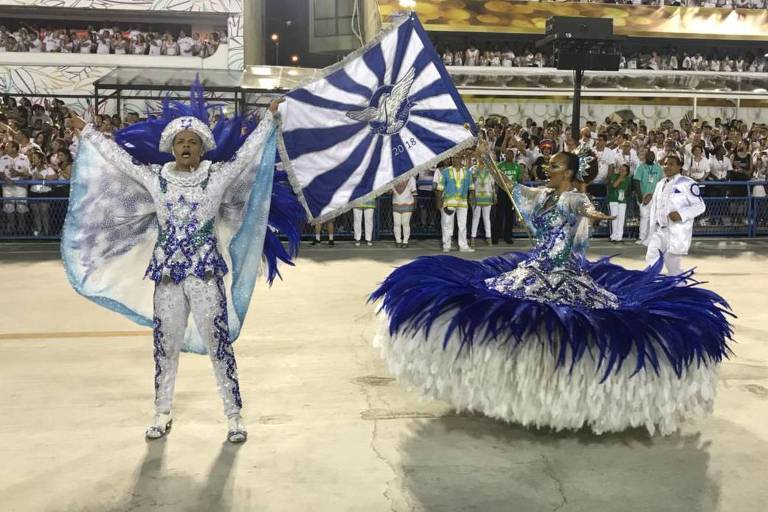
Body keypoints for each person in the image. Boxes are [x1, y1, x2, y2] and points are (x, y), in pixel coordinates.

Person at [371, 145, 733, 435]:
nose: (549, 168)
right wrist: (486, 155)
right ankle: (514, 387)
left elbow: (590, 211)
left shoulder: (573, 198)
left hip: (564, 270)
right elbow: (508, 185)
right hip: (534, 266)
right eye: (548, 163)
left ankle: (557, 393)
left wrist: (597, 215)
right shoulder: (538, 193)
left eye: (556, 165)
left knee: (567, 320)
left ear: (571, 172)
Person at [62, 87, 302, 443]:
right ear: (171, 148)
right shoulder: (156, 178)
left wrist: (268, 117)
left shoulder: (215, 176)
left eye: (192, 141)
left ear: (202, 147)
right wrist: (86, 132)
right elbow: (116, 159)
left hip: (206, 276)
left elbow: (248, 155)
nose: (186, 146)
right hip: (168, 278)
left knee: (219, 344)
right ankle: (162, 412)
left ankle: (234, 416)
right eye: (179, 141)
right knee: (165, 345)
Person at [645, 155, 706, 276]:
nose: (667, 166)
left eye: (671, 164)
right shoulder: (660, 183)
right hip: (659, 231)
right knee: (651, 262)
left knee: (673, 269)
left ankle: (681, 292)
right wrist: (651, 198)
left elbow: (700, 206)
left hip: (674, 232)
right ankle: (653, 290)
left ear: (679, 167)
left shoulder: (687, 183)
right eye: (665, 164)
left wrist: (681, 214)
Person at [436, 154, 474, 253]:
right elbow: (440, 188)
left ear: (462, 159)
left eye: (457, 157)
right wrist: (439, 201)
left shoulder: (467, 172)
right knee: (447, 224)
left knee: (462, 225)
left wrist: (472, 199)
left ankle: (463, 246)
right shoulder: (445, 172)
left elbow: (472, 187)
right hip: (449, 202)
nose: (454, 159)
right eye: (453, 158)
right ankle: (446, 245)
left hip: (463, 202)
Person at [492, 147, 523, 245]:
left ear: (513, 156)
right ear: (505, 155)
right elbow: (496, 179)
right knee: (499, 215)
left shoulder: (517, 167)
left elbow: (520, 180)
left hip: (512, 192)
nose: (509, 156)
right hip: (502, 192)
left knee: (510, 216)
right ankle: (495, 237)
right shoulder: (500, 166)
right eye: (507, 154)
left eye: (511, 154)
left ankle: (508, 237)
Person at [633, 150, 664, 245]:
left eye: (652, 156)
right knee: (644, 217)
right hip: (643, 196)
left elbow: (661, 182)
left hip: (654, 197)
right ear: (645, 157)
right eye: (648, 156)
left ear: (654, 157)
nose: (650, 157)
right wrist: (640, 196)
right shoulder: (641, 167)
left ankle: (650, 238)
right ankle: (642, 237)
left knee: (653, 218)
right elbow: (636, 182)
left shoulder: (658, 168)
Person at [0, 140, 31, 234]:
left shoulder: (24, 158)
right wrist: (6, 179)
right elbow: (0, 172)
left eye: (8, 146)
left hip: (21, 187)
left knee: (21, 208)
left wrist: (19, 173)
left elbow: (28, 174)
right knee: (9, 208)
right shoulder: (3, 158)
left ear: (14, 148)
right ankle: (11, 229)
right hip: (7, 187)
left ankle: (22, 229)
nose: (6, 148)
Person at [469, 151, 495, 247]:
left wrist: (494, 195)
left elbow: (492, 184)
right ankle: (472, 239)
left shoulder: (489, 170)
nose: (482, 159)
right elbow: (470, 182)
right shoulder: (472, 169)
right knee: (475, 218)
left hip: (487, 196)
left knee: (486, 218)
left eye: (484, 157)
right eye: (480, 157)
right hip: (476, 196)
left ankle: (489, 238)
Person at [607, 163, 631, 242]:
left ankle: (619, 237)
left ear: (627, 172)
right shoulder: (614, 176)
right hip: (613, 199)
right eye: (620, 169)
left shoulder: (628, 179)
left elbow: (628, 190)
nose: (621, 171)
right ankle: (613, 236)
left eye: (624, 170)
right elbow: (614, 185)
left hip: (622, 200)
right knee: (614, 218)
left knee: (621, 218)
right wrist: (620, 177)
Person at [391, 175, 417, 248]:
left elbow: (414, 191)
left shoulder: (411, 178)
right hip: (396, 203)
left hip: (408, 203)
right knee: (396, 223)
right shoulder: (393, 178)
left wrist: (415, 203)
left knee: (405, 223)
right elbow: (389, 191)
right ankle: (398, 241)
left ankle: (405, 241)